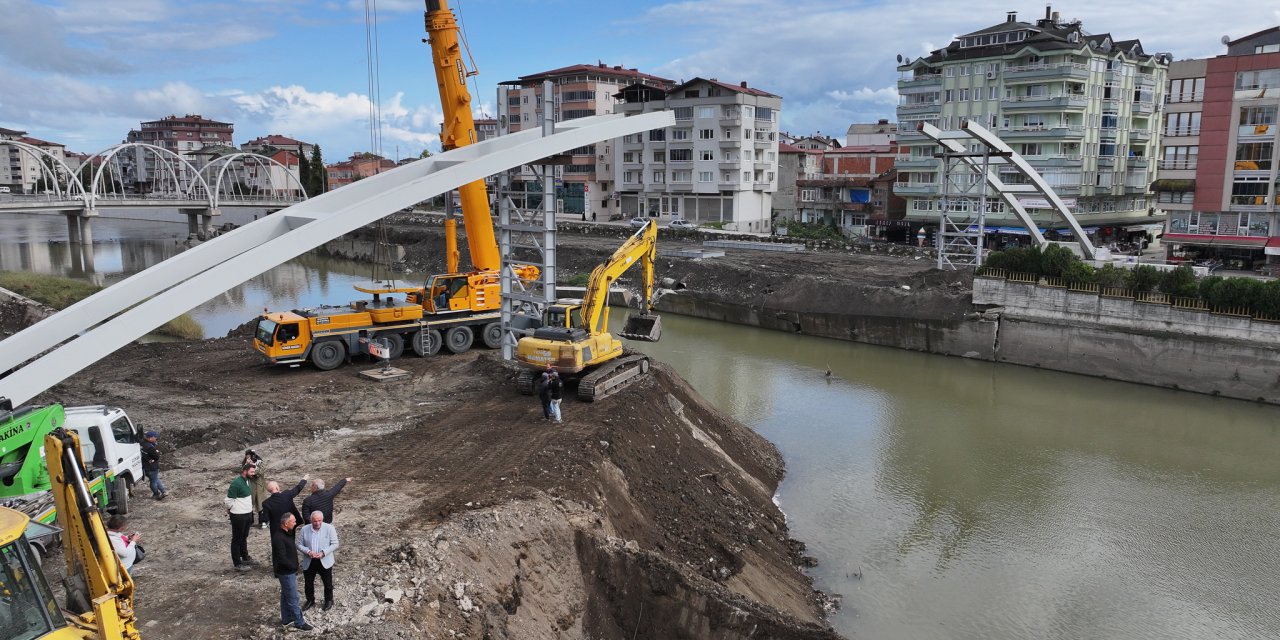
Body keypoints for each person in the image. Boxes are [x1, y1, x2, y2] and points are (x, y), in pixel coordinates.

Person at [272, 513, 312, 631]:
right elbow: (281, 558)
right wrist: (294, 567)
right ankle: (299, 622)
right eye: (293, 522)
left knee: (285, 595)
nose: (295, 523)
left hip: (287, 571)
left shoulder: (286, 532)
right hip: (286, 572)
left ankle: (286, 619)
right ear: (286, 524)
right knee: (293, 597)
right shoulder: (279, 537)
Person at [296, 511, 340, 612]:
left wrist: (323, 553)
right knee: (308, 583)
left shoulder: (329, 528)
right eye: (315, 521)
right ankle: (310, 600)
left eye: (319, 520)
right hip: (309, 560)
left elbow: (335, 544)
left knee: (327, 582)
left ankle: (329, 600)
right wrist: (308, 551)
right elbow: (298, 544)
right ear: (311, 520)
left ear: (323, 519)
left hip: (324, 559)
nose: (317, 523)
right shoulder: (304, 529)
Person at [225, 463, 259, 571]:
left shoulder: (247, 480)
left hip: (247, 514)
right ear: (245, 471)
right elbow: (229, 500)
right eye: (252, 472)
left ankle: (245, 557)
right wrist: (232, 509)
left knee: (244, 537)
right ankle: (237, 563)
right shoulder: (236, 483)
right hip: (239, 516)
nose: (253, 474)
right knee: (237, 539)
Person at [243, 449, 268, 528]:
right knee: (249, 504)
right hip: (250, 486)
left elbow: (261, 471)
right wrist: (247, 465)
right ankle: (250, 521)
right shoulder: (245, 464)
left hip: (260, 486)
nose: (249, 459)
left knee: (261, 504)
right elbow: (243, 474)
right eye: (247, 457)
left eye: (250, 457)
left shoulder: (259, 462)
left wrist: (253, 466)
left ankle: (262, 521)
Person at [141, 431, 166, 500]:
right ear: (150, 438)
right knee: (153, 481)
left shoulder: (142, 443)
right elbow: (156, 457)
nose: (156, 438)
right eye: (155, 437)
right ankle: (156, 494)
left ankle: (163, 491)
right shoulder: (150, 447)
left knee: (154, 479)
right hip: (152, 467)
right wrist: (157, 452)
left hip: (145, 465)